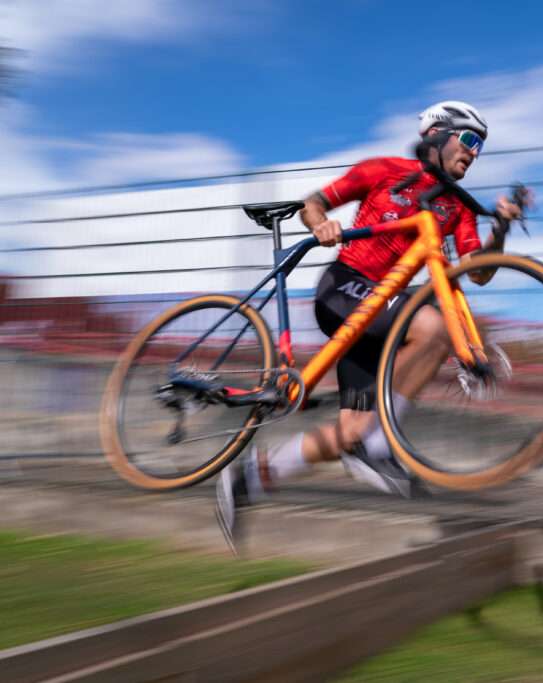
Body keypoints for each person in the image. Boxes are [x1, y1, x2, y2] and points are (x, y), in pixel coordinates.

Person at [215, 101, 525, 553]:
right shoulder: (384, 170)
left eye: (481, 146)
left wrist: (500, 228)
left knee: (351, 435)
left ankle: (246, 482)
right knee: (436, 329)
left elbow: (477, 271)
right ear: (438, 135)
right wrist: (321, 224)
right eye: (470, 140)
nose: (475, 153)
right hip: (345, 289)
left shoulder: (457, 208)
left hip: (380, 315)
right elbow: (314, 204)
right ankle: (381, 444)